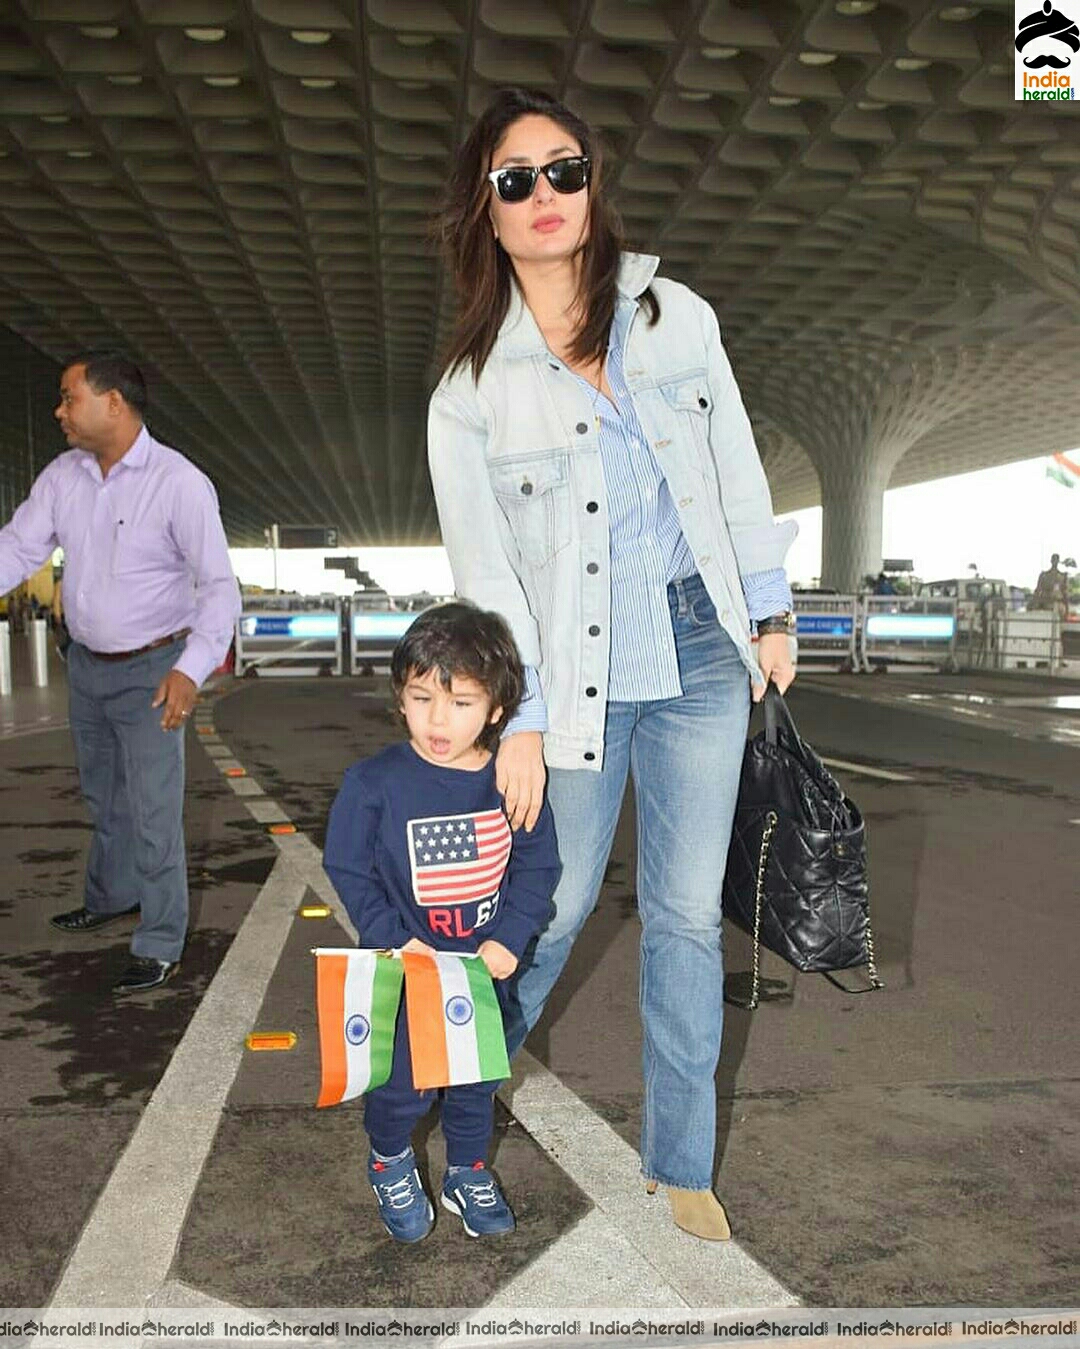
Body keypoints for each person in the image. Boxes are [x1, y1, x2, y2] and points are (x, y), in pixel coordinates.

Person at [428, 88, 798, 1241]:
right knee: (552, 903)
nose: (545, 195)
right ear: (485, 213)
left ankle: (681, 1161)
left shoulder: (675, 316)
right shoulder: (470, 392)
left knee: (687, 914)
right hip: (568, 686)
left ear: (594, 184)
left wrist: (771, 609)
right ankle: (458, 1105)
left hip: (698, 651)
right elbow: (487, 576)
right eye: (515, 179)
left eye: (564, 169)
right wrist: (519, 718)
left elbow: (735, 468)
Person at [0, 351, 240, 993]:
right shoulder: (62, 478)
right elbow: (18, 547)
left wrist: (191, 670)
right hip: (86, 667)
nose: (59, 410)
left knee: (154, 810)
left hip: (155, 670)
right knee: (105, 796)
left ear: (113, 403)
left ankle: (160, 940)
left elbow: (219, 587)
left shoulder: (179, 482)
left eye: (67, 396)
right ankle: (109, 895)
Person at [323, 602, 560, 1243]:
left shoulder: (511, 781)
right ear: (400, 696)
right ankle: (390, 1156)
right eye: (422, 697)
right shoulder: (373, 782)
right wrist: (388, 934)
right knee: (402, 1083)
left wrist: (511, 939)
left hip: (484, 969)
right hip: (408, 968)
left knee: (476, 1082)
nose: (438, 719)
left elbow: (540, 867)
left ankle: (468, 1169)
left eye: (461, 703)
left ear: (497, 711)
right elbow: (346, 864)